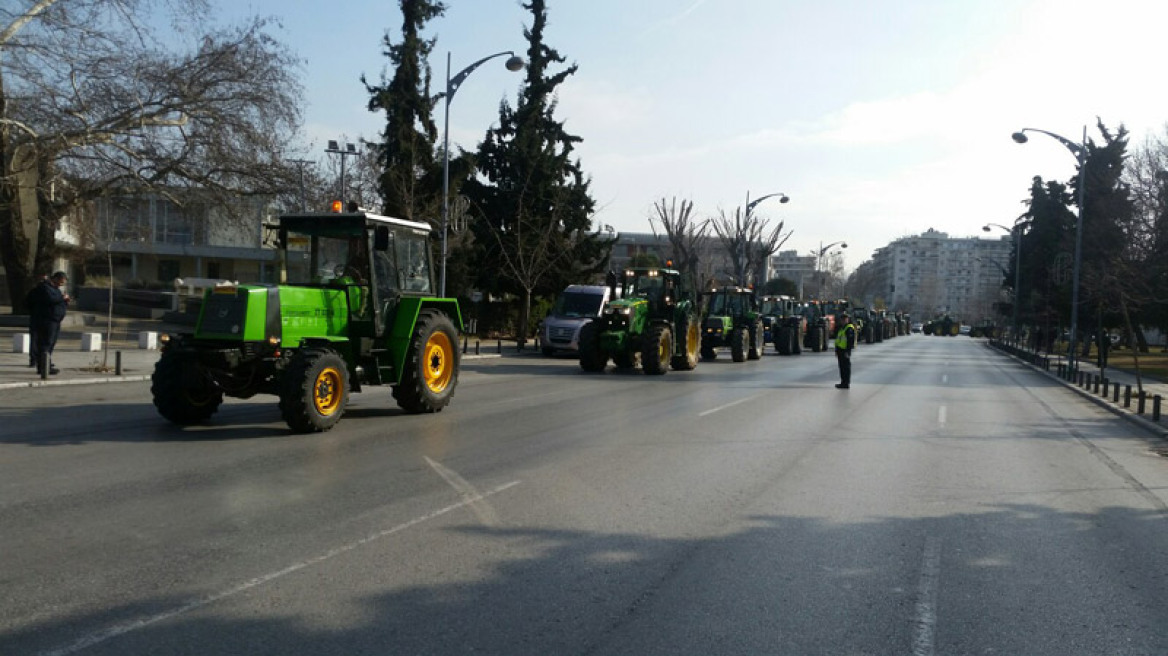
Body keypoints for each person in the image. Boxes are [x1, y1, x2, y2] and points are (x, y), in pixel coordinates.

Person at [27, 271, 70, 375]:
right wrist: (62, 298)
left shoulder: (55, 289)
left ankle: (46, 364)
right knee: (46, 343)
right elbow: (51, 299)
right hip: (47, 320)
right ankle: (43, 366)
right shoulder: (45, 288)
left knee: (50, 343)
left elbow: (57, 301)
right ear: (55, 278)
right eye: (60, 282)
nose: (61, 285)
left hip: (55, 320)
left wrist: (65, 301)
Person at [834, 310, 856, 389]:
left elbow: (850, 341)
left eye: (845, 319)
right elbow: (838, 340)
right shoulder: (841, 328)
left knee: (846, 368)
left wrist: (848, 351)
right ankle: (843, 382)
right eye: (842, 319)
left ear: (848, 319)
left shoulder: (849, 328)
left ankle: (846, 383)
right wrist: (836, 350)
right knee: (841, 368)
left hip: (845, 351)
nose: (843, 320)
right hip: (840, 350)